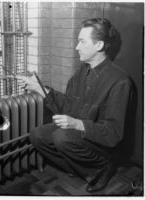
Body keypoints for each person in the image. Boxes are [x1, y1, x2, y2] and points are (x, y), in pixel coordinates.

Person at [17, 18, 133, 193]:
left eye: (82, 41)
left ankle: (103, 168)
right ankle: (78, 167)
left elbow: (113, 133)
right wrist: (39, 89)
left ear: (99, 45)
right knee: (37, 135)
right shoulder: (81, 71)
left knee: (62, 137)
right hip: (78, 137)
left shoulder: (120, 81)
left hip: (102, 145)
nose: (77, 47)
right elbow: (68, 105)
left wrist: (77, 124)